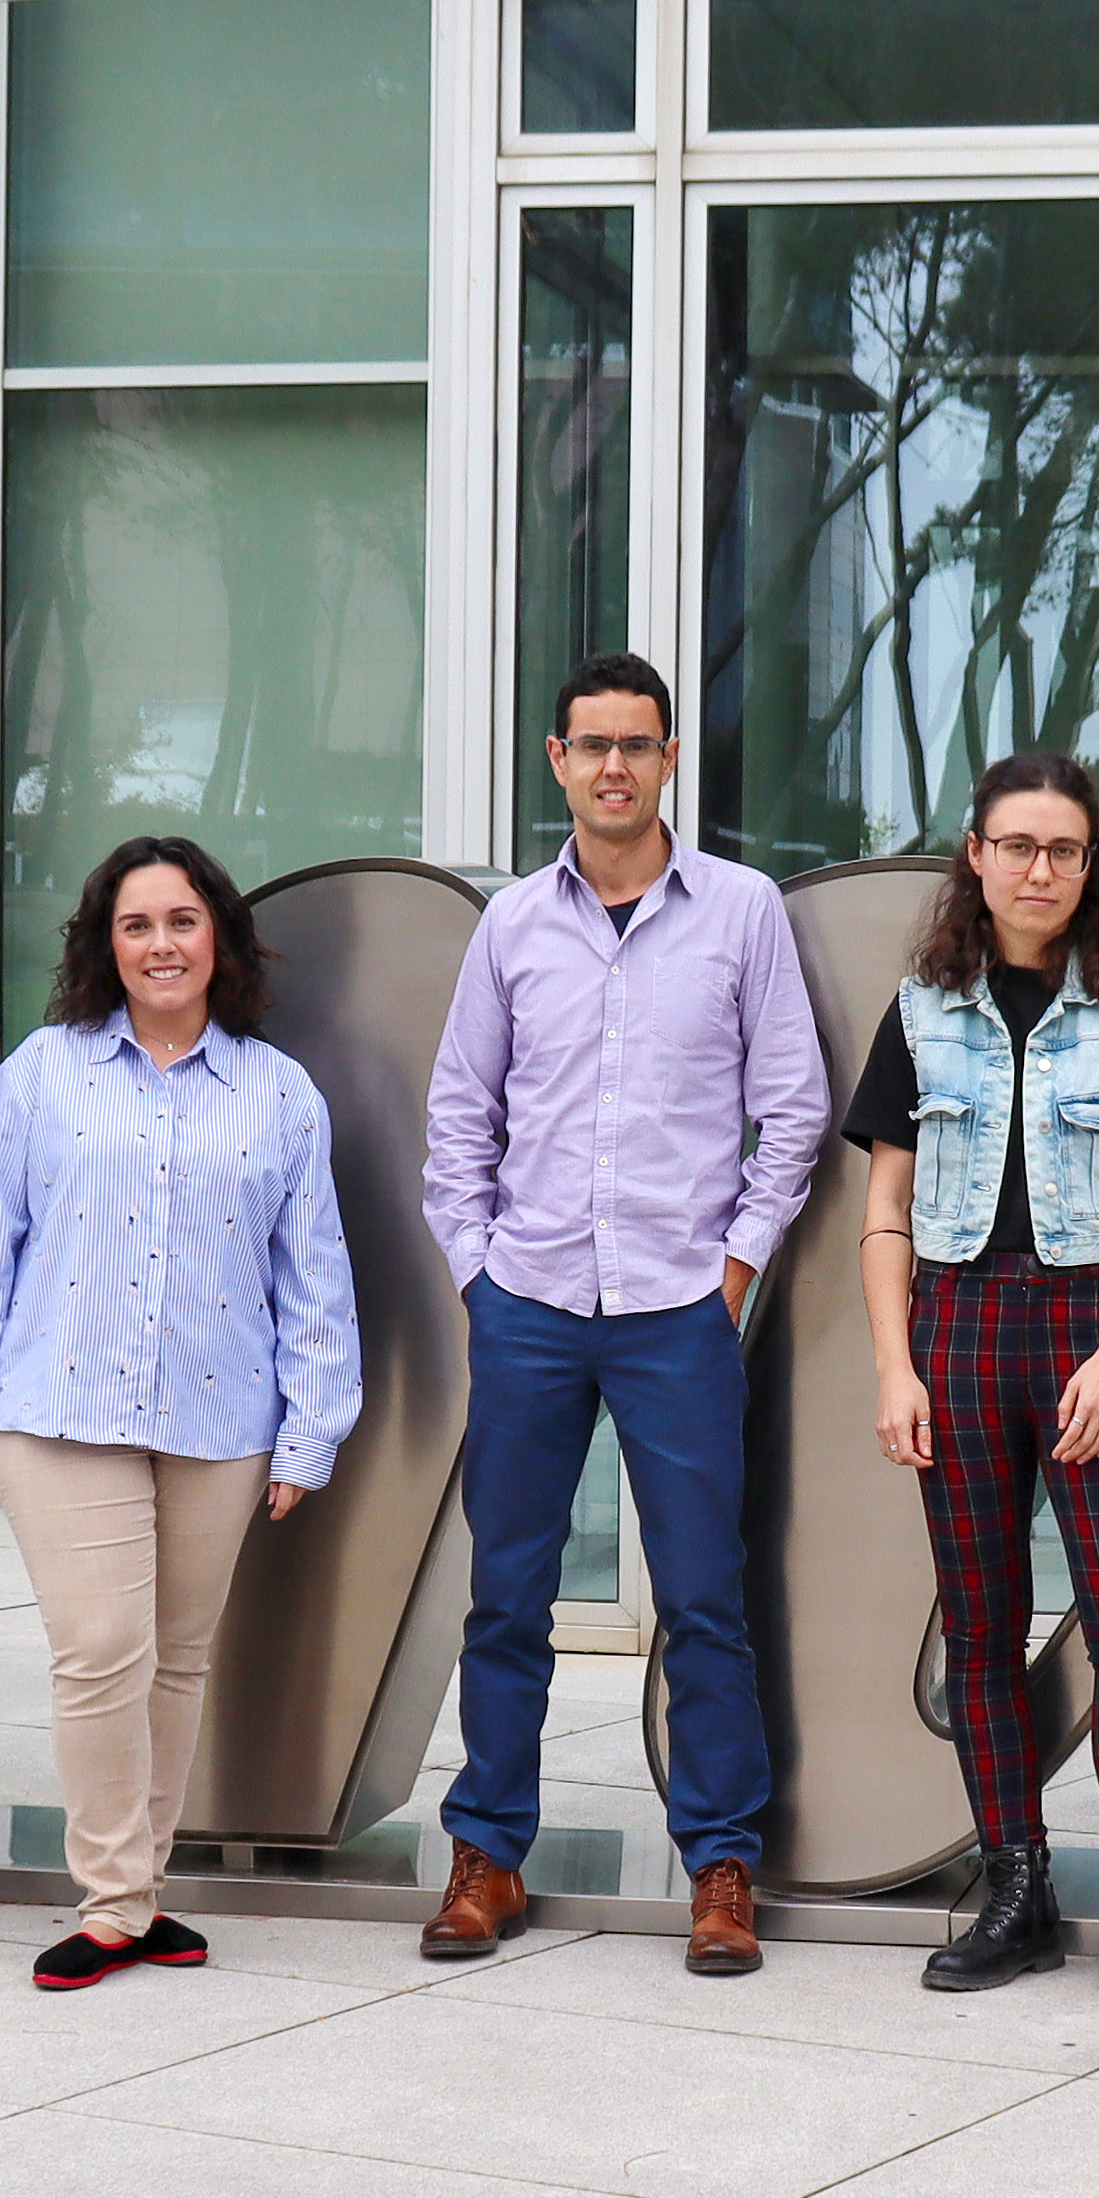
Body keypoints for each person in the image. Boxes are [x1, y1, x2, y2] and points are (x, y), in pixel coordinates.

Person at [418, 652, 828, 1976]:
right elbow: (455, 1118)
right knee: (505, 1596)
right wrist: (476, 1270)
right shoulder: (510, 928)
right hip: (529, 1300)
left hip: (675, 1308)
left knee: (705, 1597)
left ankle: (720, 1867)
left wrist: (738, 1266)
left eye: (635, 745)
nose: (611, 766)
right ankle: (488, 1855)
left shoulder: (741, 912)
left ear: (665, 761)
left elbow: (796, 1109)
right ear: (556, 759)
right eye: (589, 743)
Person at [0, 837, 360, 1993]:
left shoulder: (278, 1092)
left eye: (180, 920)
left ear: (217, 936)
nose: (160, 944)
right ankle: (113, 1900)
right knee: (101, 1654)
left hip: (222, 1419)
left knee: (177, 1661)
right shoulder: (43, 1072)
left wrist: (313, 1426)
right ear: (103, 946)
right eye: (135, 925)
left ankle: (143, 1892)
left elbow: (313, 1273)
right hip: (59, 1409)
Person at [845, 755, 1099, 2008]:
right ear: (976, 853)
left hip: (1087, 1325)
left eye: (1064, 849)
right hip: (955, 1328)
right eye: (1018, 845)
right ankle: (1015, 1889)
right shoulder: (921, 1008)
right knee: (983, 1626)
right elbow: (885, 1205)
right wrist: (897, 1366)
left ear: (1089, 862)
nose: (1039, 868)